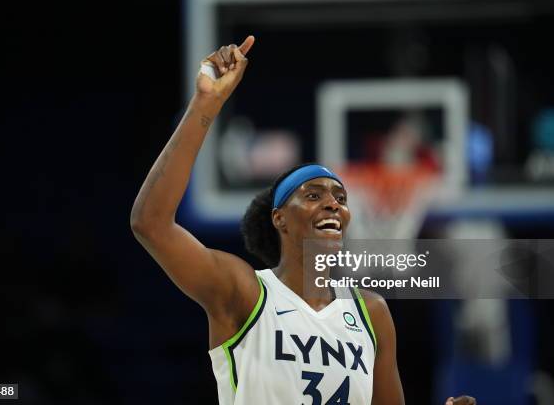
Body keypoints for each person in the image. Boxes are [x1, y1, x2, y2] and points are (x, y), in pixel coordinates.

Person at [130, 35, 476, 405]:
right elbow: (150, 223)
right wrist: (206, 103)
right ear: (279, 218)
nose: (333, 205)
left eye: (341, 198)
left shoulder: (371, 313)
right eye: (314, 195)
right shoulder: (245, 293)